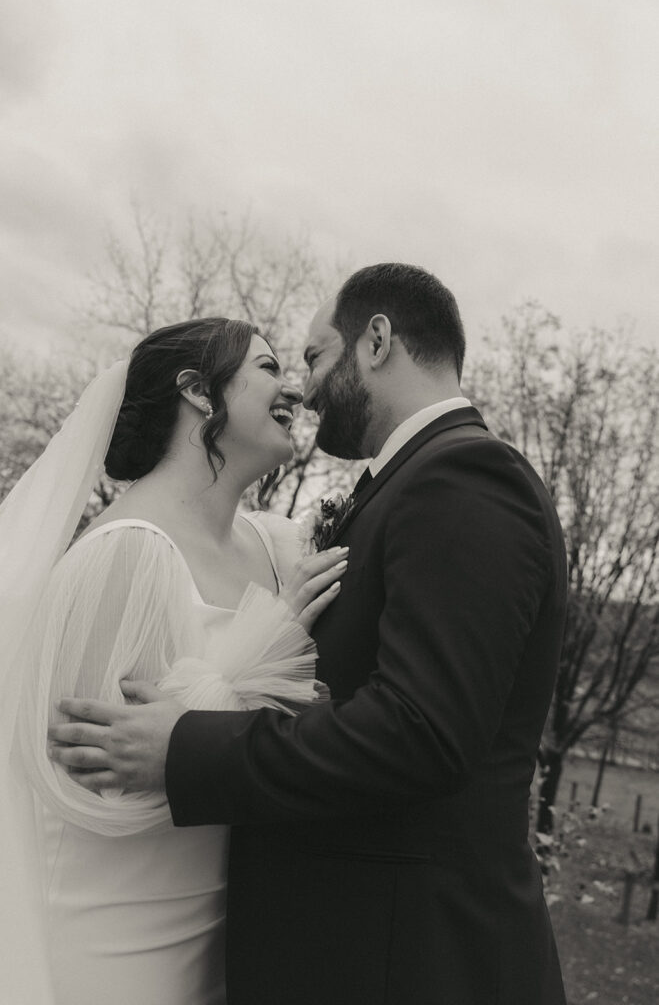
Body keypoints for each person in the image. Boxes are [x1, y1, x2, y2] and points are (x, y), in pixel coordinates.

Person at [51, 264, 569, 1005]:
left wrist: (185, 747)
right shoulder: (411, 484)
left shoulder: (463, 477)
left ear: (377, 341)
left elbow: (419, 731)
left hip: (408, 961)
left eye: (314, 357)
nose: (305, 387)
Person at [0, 318, 346, 1005]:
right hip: (113, 939)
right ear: (197, 393)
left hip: (221, 931)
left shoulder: (273, 551)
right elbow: (91, 781)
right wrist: (274, 639)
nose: (290, 385)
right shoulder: (126, 553)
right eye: (267, 367)